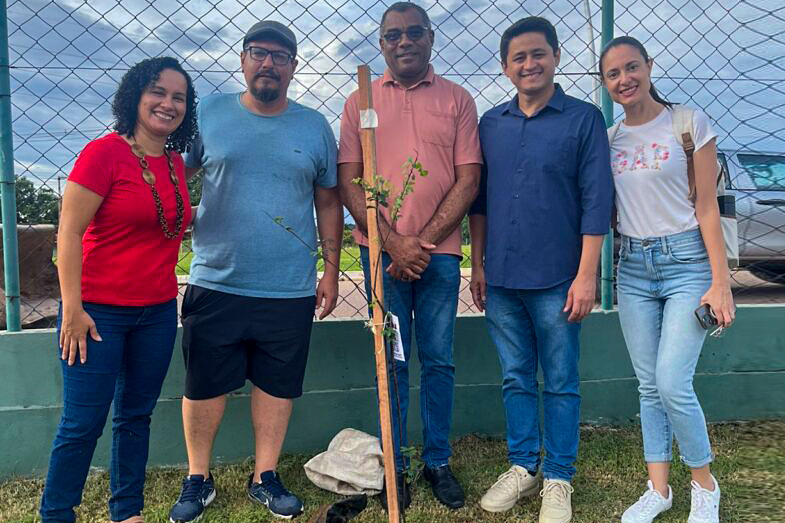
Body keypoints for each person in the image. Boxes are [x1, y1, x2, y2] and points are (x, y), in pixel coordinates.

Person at [166, 20, 343, 522]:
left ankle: (265, 476)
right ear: (242, 60)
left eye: (280, 56)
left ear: (293, 66)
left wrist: (330, 272)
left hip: (287, 287)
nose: (268, 63)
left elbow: (328, 202)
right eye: (258, 53)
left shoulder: (314, 126)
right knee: (203, 383)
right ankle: (198, 477)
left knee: (277, 385)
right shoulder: (209, 113)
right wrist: (171, 225)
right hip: (216, 278)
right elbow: (177, 176)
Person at [337, 1, 482, 511]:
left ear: (430, 38)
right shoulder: (360, 101)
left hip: (439, 258)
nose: (404, 42)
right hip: (381, 256)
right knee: (392, 361)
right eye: (393, 35)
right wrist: (391, 242)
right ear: (381, 44)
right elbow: (350, 180)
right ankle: (395, 465)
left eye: (414, 32)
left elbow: (469, 179)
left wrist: (420, 242)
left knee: (438, 359)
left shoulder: (457, 99)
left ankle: (437, 461)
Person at [39, 57, 197, 523]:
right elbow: (68, 235)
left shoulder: (175, 163)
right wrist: (72, 309)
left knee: (135, 416)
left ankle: (127, 512)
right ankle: (56, 514)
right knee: (82, 422)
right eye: (158, 92)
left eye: (179, 97)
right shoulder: (103, 154)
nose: (168, 103)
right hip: (96, 313)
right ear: (135, 96)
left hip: (156, 312)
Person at [469, 17, 613, 523]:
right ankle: (523, 465)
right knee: (515, 377)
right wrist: (478, 264)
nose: (529, 64)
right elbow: (480, 203)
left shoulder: (583, 119)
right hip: (501, 278)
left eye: (538, 54)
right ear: (505, 67)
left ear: (555, 57)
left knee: (560, 379)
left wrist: (586, 274)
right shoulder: (491, 123)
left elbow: (598, 200)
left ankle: (558, 476)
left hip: (559, 278)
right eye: (518, 57)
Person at [599, 36, 734, 523]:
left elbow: (707, 207)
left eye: (632, 67)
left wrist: (720, 281)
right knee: (649, 386)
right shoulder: (610, 140)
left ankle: (704, 485)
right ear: (605, 83)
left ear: (649, 66)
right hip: (633, 267)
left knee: (672, 381)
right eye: (613, 74)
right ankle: (659, 490)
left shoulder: (687, 123)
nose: (625, 79)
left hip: (687, 262)